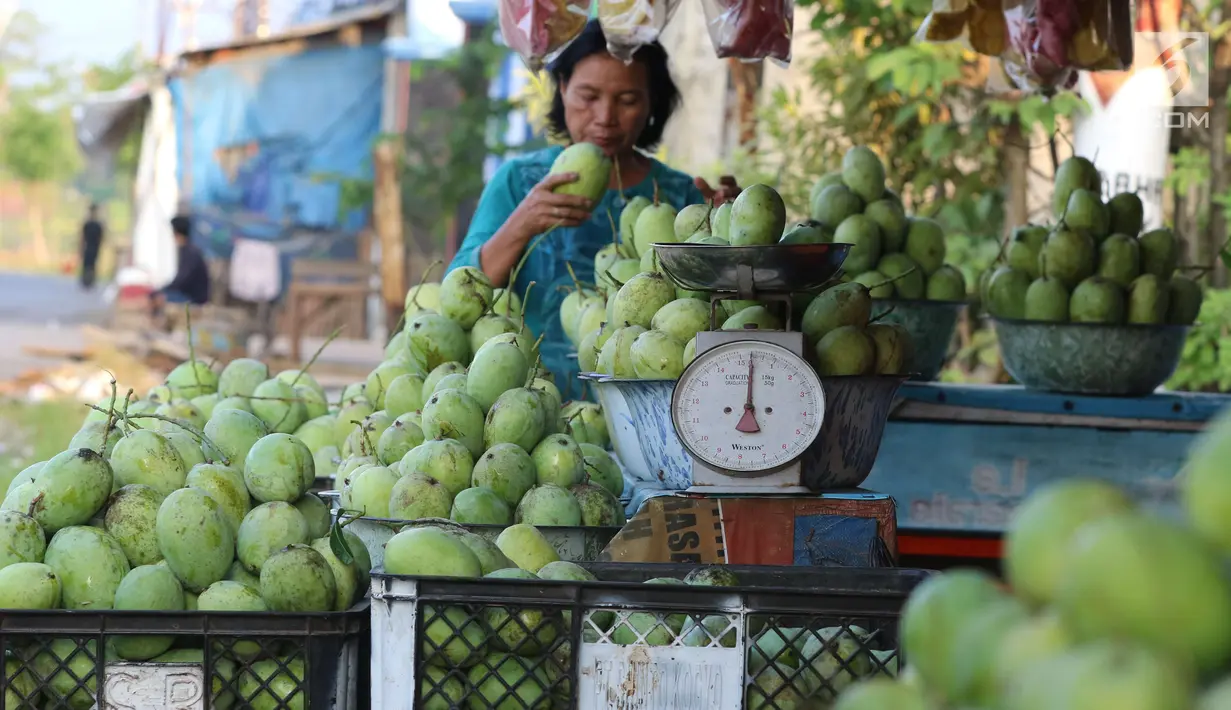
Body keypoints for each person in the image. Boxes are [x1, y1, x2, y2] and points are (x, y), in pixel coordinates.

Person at [446, 19, 740, 397]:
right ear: (563, 89)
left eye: (627, 100)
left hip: (651, 400)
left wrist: (725, 227)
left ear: (652, 102)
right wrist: (523, 223)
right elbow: (459, 295)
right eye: (588, 96)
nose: (605, 117)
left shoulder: (678, 194)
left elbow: (708, 311)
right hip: (529, 402)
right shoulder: (522, 182)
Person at [150, 215, 211, 321]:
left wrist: (162, 290)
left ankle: (157, 325)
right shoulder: (189, 250)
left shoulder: (190, 252)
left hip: (193, 298)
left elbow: (182, 279)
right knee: (156, 295)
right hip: (189, 294)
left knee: (158, 298)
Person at [80, 203, 105, 290]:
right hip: (89, 246)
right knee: (87, 264)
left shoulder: (98, 225)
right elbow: (82, 237)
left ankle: (90, 280)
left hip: (94, 247)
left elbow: (101, 238)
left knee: (92, 265)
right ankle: (86, 280)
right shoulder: (87, 224)